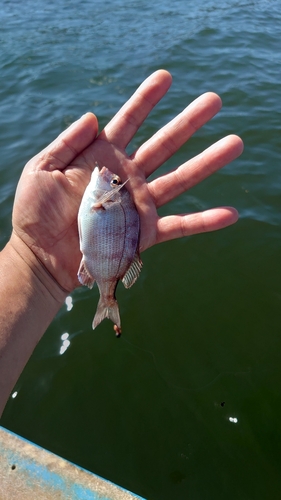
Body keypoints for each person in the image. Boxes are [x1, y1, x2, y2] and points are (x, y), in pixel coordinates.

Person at [0, 70, 243, 416]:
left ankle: (106, 299)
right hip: (106, 263)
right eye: (115, 180)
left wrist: (31, 262)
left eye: (114, 180)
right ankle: (107, 299)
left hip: (102, 264)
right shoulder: (102, 198)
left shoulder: (103, 199)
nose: (107, 177)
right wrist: (31, 256)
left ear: (110, 193)